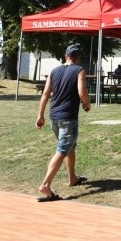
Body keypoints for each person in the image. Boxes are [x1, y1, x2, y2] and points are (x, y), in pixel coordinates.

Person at [35, 44, 91, 202]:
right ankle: (45, 185)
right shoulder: (79, 70)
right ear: (78, 57)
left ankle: (72, 177)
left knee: (70, 146)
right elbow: (82, 92)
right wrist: (86, 104)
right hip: (68, 117)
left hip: (54, 117)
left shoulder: (54, 71)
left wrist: (40, 115)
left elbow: (45, 93)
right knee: (62, 149)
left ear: (65, 55)